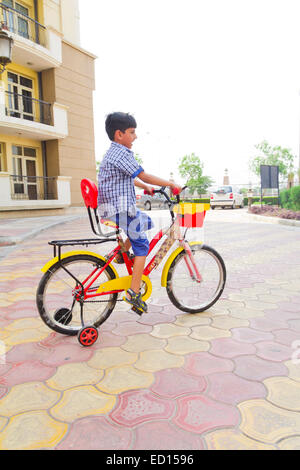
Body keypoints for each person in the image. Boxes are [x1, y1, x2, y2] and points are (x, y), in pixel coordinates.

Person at [98, 112, 182, 314]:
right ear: (119, 134)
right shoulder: (121, 153)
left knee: (145, 221)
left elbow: (133, 177)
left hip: (114, 207)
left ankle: (122, 254)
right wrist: (170, 183)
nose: (135, 136)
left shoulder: (114, 153)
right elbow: (142, 173)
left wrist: (148, 188)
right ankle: (133, 293)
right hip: (119, 209)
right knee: (142, 245)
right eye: (132, 132)